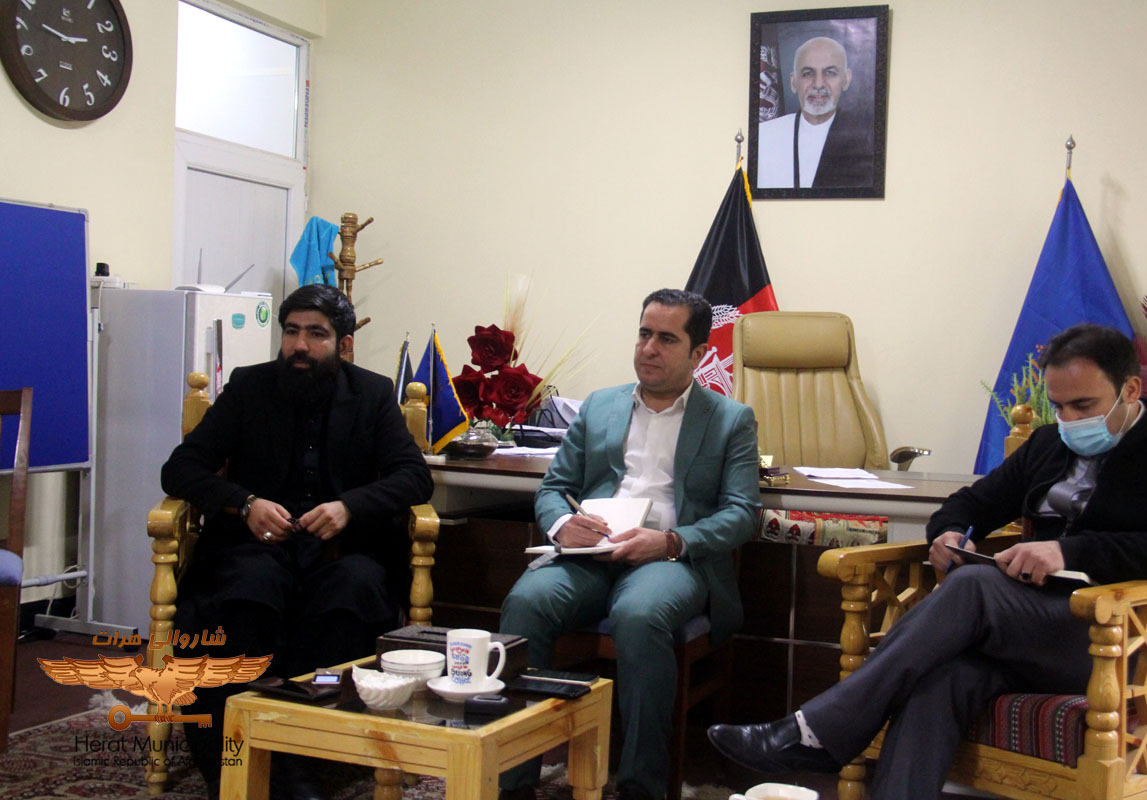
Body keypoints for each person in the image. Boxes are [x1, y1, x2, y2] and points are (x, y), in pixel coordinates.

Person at [707, 324, 1147, 799]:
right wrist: (949, 533)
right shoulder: (1050, 444)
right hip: (1028, 627)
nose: (1070, 420)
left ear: (1129, 390)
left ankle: (819, 731)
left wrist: (1067, 551)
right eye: (1059, 406)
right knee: (943, 680)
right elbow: (971, 503)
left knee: (973, 588)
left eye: (1084, 406)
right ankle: (832, 744)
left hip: (1119, 636)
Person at [161, 284, 433, 800]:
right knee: (242, 598)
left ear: (344, 345)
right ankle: (233, 759)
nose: (300, 346)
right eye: (291, 332)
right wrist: (244, 503)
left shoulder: (372, 394)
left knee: (351, 593)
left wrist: (349, 506)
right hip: (252, 549)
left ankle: (303, 755)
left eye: (316, 334)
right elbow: (180, 468)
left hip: (340, 553)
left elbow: (414, 478)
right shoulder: (248, 387)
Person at [498, 289, 761, 800]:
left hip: (668, 558)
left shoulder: (731, 419)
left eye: (667, 338)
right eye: (644, 334)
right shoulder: (601, 405)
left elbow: (741, 514)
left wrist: (670, 541)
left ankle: (642, 787)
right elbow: (554, 488)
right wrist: (559, 528)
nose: (649, 348)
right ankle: (513, 781)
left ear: (699, 353)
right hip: (590, 553)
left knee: (639, 615)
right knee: (525, 602)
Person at [755, 36, 872, 190]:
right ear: (793, 82)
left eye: (830, 73)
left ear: (846, 79)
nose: (818, 84)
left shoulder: (866, 138)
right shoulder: (765, 136)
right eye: (808, 73)